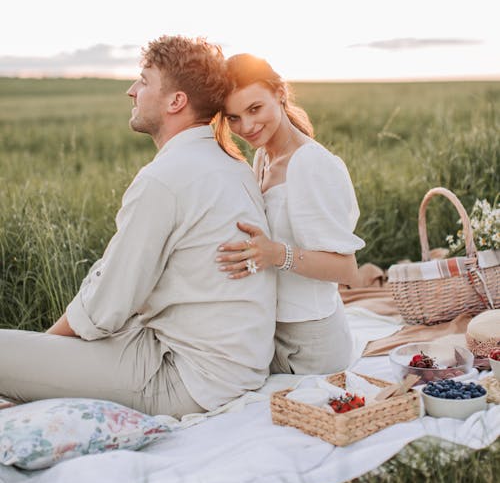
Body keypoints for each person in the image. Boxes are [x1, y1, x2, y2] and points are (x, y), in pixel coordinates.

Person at [0, 36, 277, 418]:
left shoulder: (165, 179)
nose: (131, 91)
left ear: (175, 101)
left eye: (144, 81)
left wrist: (41, 353)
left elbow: (106, 307)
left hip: (188, 379)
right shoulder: (232, 165)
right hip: (227, 366)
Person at [215, 53, 365, 375]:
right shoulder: (262, 158)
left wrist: (275, 254)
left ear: (280, 93)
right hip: (272, 333)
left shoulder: (310, 164)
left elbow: (347, 269)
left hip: (312, 343)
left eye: (255, 109)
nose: (247, 126)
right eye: (234, 118)